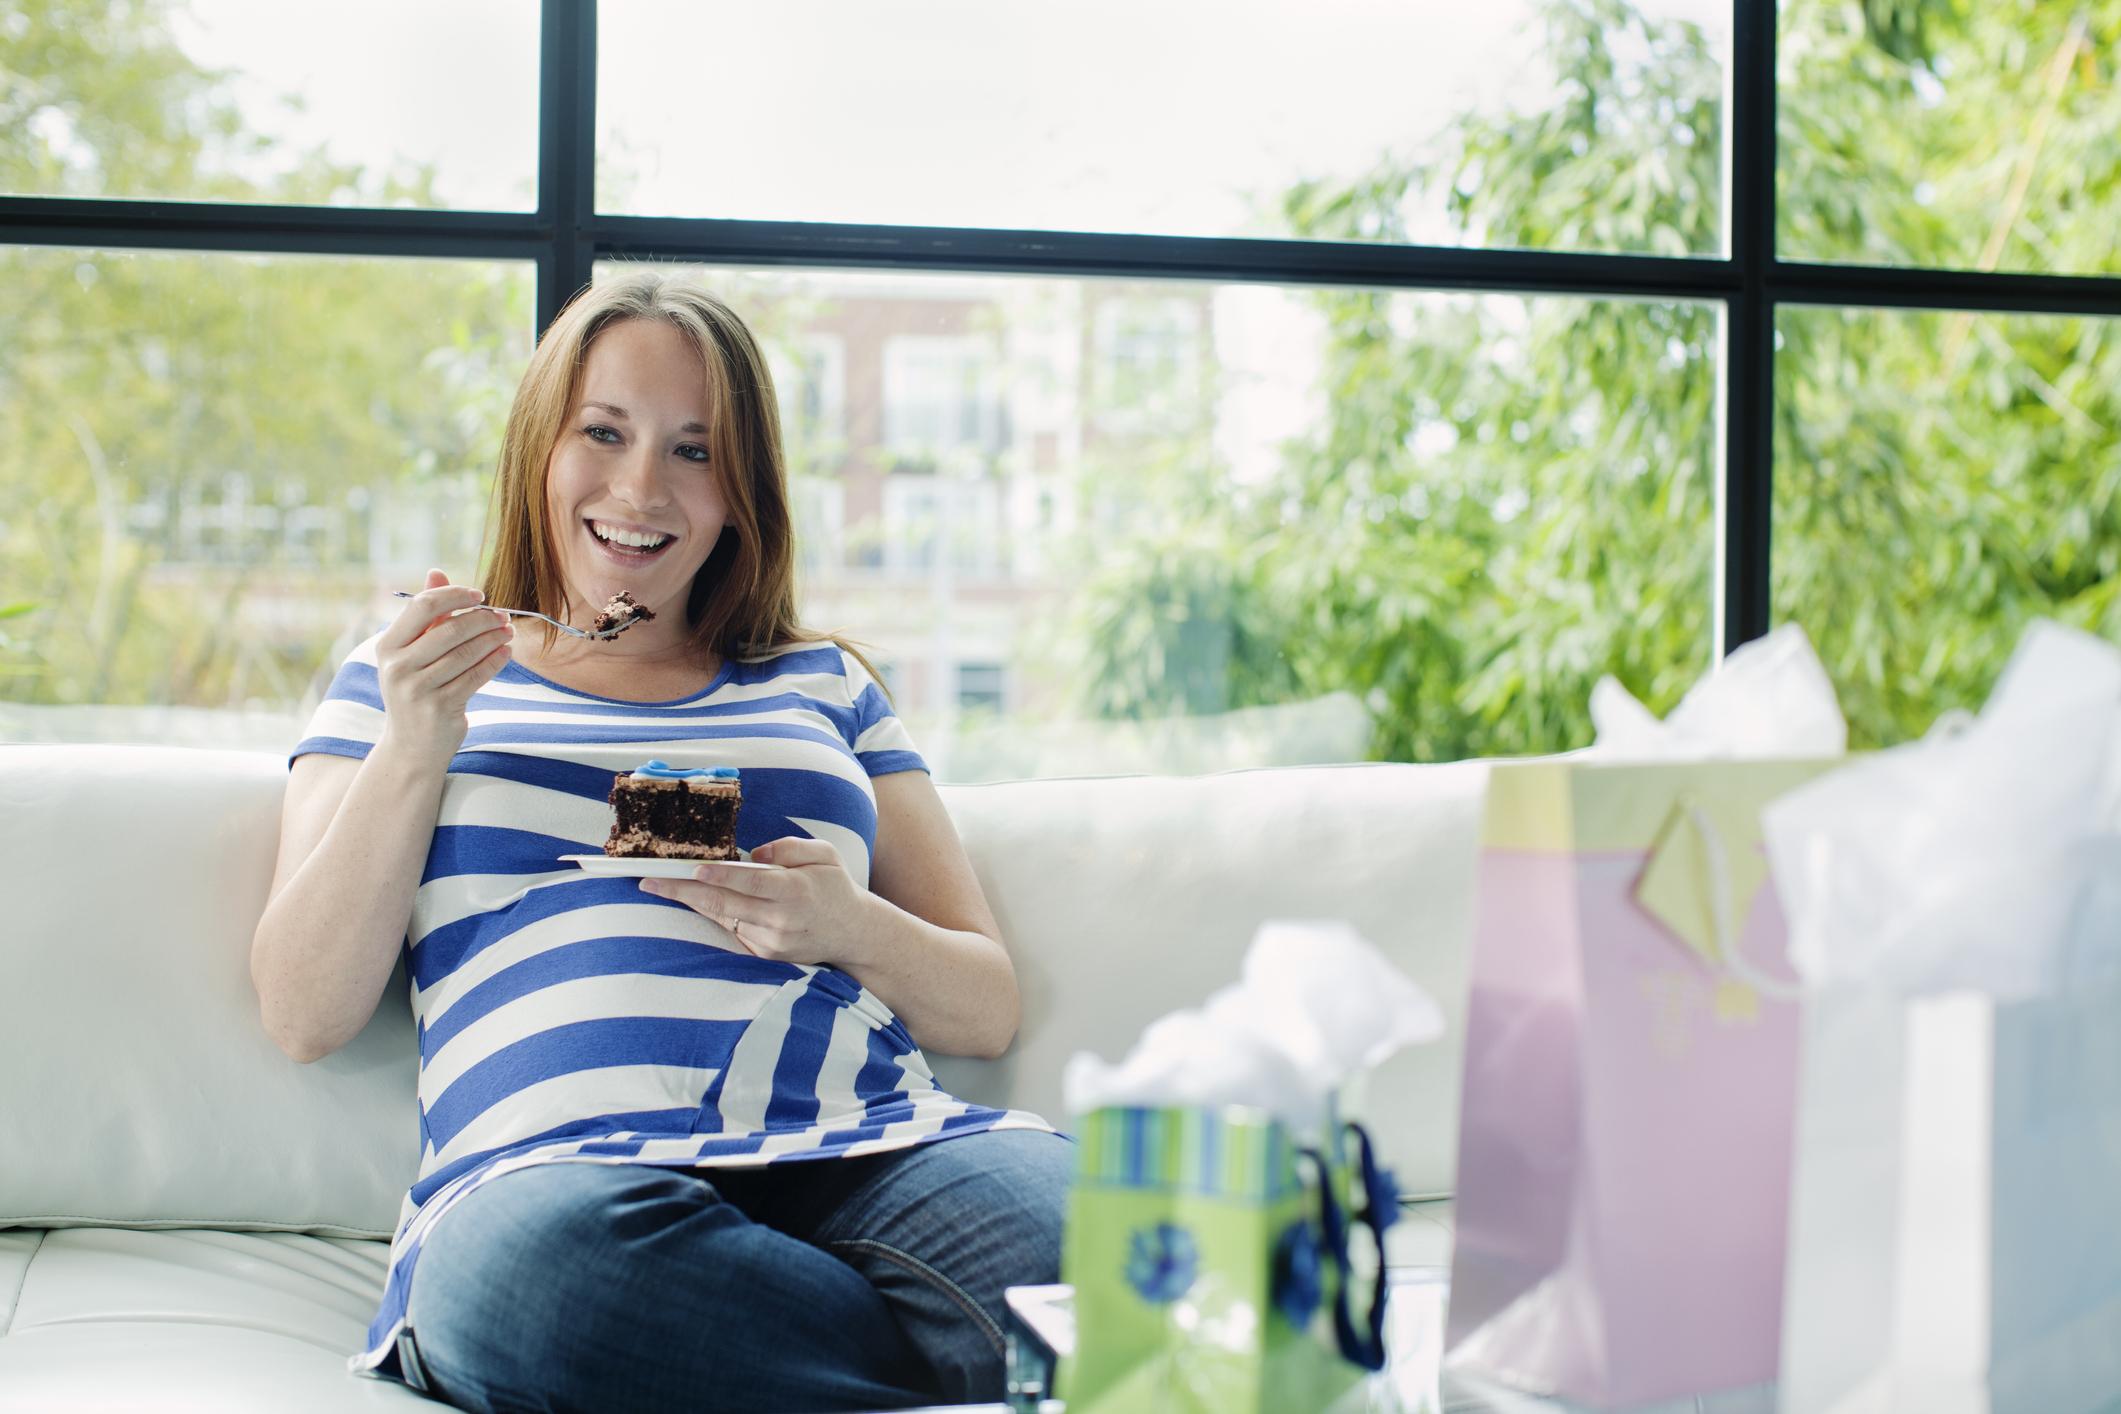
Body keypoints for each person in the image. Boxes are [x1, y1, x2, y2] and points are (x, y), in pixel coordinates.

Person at [248, 269, 1072, 1413]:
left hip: (872, 1144)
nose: (642, 486)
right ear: (542, 445)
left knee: (1120, 1246)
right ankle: (966, 1372)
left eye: (695, 450)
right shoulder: (407, 675)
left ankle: (777, 1360)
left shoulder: (823, 683)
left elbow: (987, 1006)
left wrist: (850, 924)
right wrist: (416, 745)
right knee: (541, 1290)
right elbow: (303, 1009)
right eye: (604, 432)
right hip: (560, 1178)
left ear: (743, 493)